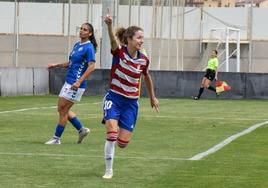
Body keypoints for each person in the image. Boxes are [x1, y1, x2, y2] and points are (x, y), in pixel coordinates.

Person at [102, 14, 159, 179]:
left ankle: (117, 123)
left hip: (131, 104)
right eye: (139, 37)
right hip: (114, 98)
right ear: (129, 39)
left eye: (143, 38)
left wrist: (152, 97)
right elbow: (113, 40)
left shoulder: (144, 60)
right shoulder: (119, 52)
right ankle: (109, 170)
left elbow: (146, 77)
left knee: (122, 144)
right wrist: (109, 26)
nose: (142, 40)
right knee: (112, 135)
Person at [45, 23, 97, 145]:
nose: (82, 31)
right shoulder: (77, 45)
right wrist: (56, 65)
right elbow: (70, 63)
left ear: (90, 33)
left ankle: (56, 138)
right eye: (81, 29)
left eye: (85, 30)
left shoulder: (89, 48)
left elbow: (92, 66)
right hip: (69, 81)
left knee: (63, 110)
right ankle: (81, 129)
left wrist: (79, 81)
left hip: (76, 84)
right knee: (62, 109)